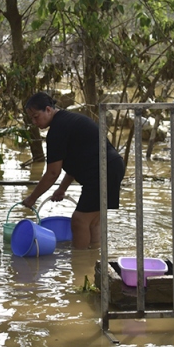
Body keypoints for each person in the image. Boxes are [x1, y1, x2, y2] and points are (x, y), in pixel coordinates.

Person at [20, 91, 124, 249]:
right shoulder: (67, 121)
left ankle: (79, 264)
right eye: (31, 118)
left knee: (79, 221)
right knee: (93, 222)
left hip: (102, 172)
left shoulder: (57, 130)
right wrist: (62, 189)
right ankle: (93, 261)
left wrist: (32, 198)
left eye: (36, 116)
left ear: (48, 110)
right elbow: (76, 164)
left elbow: (52, 173)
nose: (34, 122)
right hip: (113, 167)